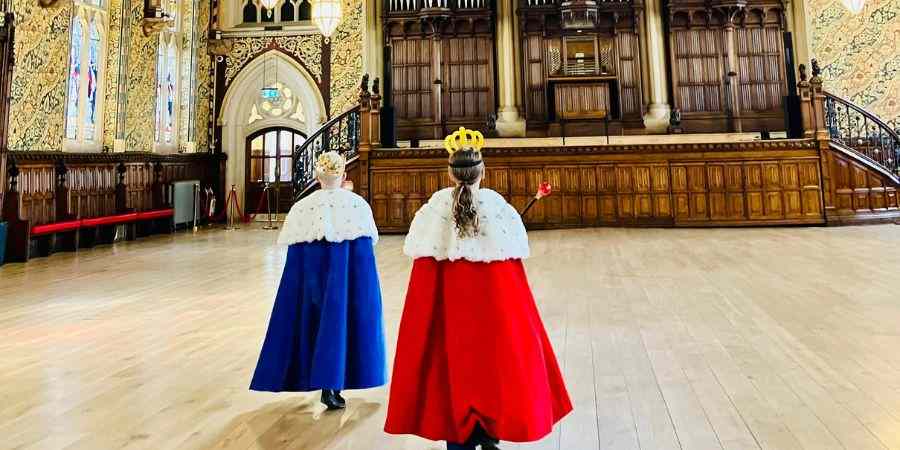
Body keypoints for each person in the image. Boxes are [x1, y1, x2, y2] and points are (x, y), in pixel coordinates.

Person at [384, 128, 572, 449]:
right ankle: (490, 431)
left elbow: (424, 282)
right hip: (493, 314)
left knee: (451, 367)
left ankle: (458, 433)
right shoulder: (497, 208)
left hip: (449, 318)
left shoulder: (434, 211)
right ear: (483, 171)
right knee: (495, 364)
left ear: (449, 173)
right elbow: (512, 280)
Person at [250, 151, 386, 410]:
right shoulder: (357, 205)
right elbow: (368, 249)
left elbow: (294, 255)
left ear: (317, 176)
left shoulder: (302, 207)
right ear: (344, 175)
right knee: (341, 322)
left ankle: (320, 379)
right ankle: (333, 384)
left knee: (313, 320)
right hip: (346, 277)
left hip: (311, 273)